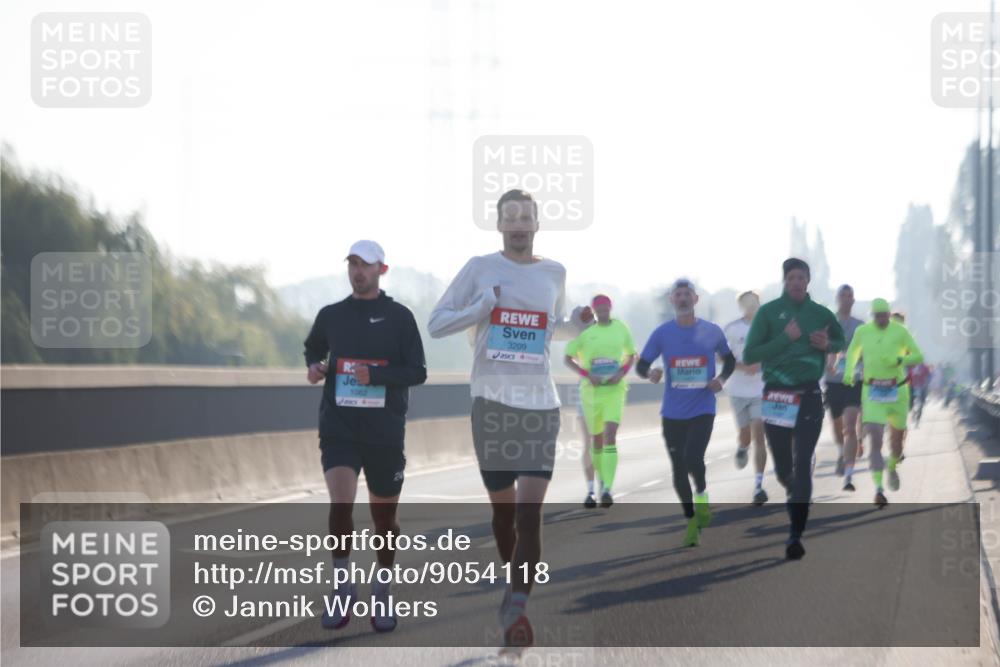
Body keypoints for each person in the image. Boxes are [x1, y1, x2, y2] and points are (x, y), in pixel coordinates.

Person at [428, 189, 588, 649]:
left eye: (526, 217)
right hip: (492, 404)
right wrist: (481, 307)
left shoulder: (554, 272)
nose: (518, 224)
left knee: (529, 515)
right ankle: (511, 583)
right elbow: (437, 324)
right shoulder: (480, 268)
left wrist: (577, 324)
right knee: (503, 517)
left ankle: (517, 607)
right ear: (499, 225)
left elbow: (552, 327)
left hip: (540, 405)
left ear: (537, 224)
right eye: (510, 217)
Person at [304, 240, 427, 632]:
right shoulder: (332, 315)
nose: (358, 271)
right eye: (353, 264)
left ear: (381, 270)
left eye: (366, 265)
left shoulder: (399, 317)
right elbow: (313, 347)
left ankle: (383, 590)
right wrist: (315, 366)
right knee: (340, 506)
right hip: (339, 426)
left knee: (384, 520)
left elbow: (418, 371)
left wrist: (376, 376)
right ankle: (343, 587)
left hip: (384, 431)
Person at [743, 258, 845, 560]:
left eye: (801, 277)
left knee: (803, 463)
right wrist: (784, 339)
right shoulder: (768, 312)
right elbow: (750, 355)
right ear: (785, 281)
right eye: (791, 278)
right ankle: (794, 491)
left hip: (809, 393)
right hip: (777, 395)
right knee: (783, 468)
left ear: (808, 281)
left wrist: (827, 344)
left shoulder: (821, 313)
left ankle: (795, 535)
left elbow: (839, 341)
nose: (796, 282)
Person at [636, 278, 736, 547]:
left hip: (702, 407)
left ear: (695, 299)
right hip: (672, 411)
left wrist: (721, 379)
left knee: (693, 457)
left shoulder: (712, 331)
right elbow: (642, 365)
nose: (682, 299)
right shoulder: (662, 333)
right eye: (678, 295)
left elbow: (730, 360)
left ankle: (702, 495)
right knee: (678, 469)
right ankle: (691, 519)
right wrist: (650, 373)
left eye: (686, 294)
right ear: (672, 300)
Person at [843, 298, 924, 507]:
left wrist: (899, 360)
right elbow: (852, 352)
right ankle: (879, 490)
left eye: (884, 315)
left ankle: (892, 465)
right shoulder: (863, 332)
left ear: (889, 314)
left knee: (896, 444)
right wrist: (849, 372)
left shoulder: (900, 332)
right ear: (873, 316)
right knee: (876, 439)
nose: (881, 319)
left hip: (898, 392)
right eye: (877, 315)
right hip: (873, 393)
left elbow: (918, 356)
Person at [564, 294, 638, 508]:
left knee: (609, 437)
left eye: (605, 307)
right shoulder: (581, 332)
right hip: (589, 394)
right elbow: (568, 355)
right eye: (595, 309)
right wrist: (588, 375)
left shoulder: (619, 328)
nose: (597, 313)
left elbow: (632, 353)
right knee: (592, 442)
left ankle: (605, 488)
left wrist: (621, 372)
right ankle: (591, 490)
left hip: (613, 391)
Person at [723, 291, 769, 505]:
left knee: (760, 434)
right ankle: (742, 447)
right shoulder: (733, 328)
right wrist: (743, 366)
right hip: (737, 390)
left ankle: (758, 485)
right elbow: (722, 356)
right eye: (747, 302)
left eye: (755, 301)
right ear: (741, 305)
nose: (752, 305)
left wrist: (760, 364)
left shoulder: (768, 328)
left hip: (761, 389)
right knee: (745, 434)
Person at [823, 284, 865, 491]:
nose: (846, 299)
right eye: (843, 295)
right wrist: (828, 360)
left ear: (853, 300)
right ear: (837, 298)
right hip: (833, 382)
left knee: (850, 425)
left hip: (854, 381)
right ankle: (841, 451)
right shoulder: (828, 323)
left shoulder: (861, 326)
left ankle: (848, 476)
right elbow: (821, 348)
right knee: (838, 425)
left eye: (850, 295)